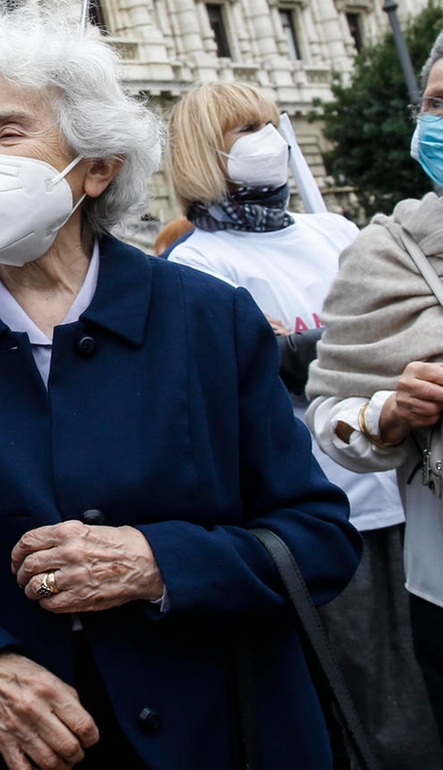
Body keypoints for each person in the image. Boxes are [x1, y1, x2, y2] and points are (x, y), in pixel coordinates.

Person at [0, 0, 361, 770]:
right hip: (5, 747)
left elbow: (318, 537)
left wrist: (158, 563)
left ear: (96, 166)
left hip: (219, 733)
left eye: (6, 131)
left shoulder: (208, 319)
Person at [164, 82, 439, 764]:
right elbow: (256, 375)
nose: (266, 137)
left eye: (267, 121)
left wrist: (303, 345)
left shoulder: (337, 232)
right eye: (241, 130)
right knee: (376, 714)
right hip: (325, 515)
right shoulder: (200, 261)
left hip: (407, 497)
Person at [307, 29, 443, 743]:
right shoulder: (386, 251)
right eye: (436, 103)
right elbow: (330, 410)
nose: (441, 122)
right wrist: (388, 412)